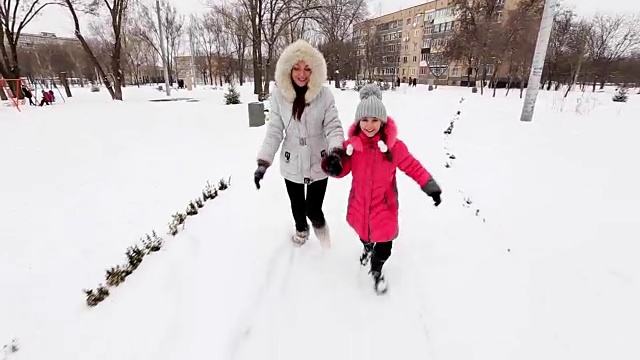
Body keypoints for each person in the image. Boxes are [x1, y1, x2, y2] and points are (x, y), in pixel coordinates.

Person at [321, 84, 442, 294]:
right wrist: (333, 165)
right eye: (365, 120)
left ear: (383, 121)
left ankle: (376, 269)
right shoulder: (352, 146)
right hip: (360, 203)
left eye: (375, 120)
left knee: (385, 245)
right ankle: (367, 248)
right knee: (364, 235)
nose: (369, 125)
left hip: (384, 207)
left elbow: (412, 166)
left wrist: (429, 186)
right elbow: (343, 169)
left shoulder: (393, 147)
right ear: (358, 122)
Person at [254, 39, 346, 248]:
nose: (302, 74)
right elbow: (275, 131)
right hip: (292, 160)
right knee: (297, 205)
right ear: (288, 70)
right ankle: (301, 231)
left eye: (307, 69)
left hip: (319, 160)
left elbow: (333, 126)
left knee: (313, 209)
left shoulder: (324, 95)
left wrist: (335, 153)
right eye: (296, 68)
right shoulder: (279, 95)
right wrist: (263, 162)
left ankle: (325, 242)